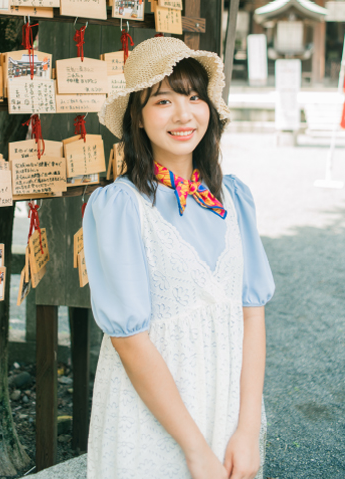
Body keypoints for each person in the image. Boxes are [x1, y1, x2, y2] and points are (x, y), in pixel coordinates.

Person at [83, 37, 275, 479]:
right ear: (138, 116)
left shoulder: (234, 197)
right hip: (154, 416)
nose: (184, 114)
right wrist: (193, 448)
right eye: (163, 100)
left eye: (194, 97)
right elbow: (130, 339)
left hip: (228, 407)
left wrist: (246, 430)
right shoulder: (119, 206)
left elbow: (252, 315)